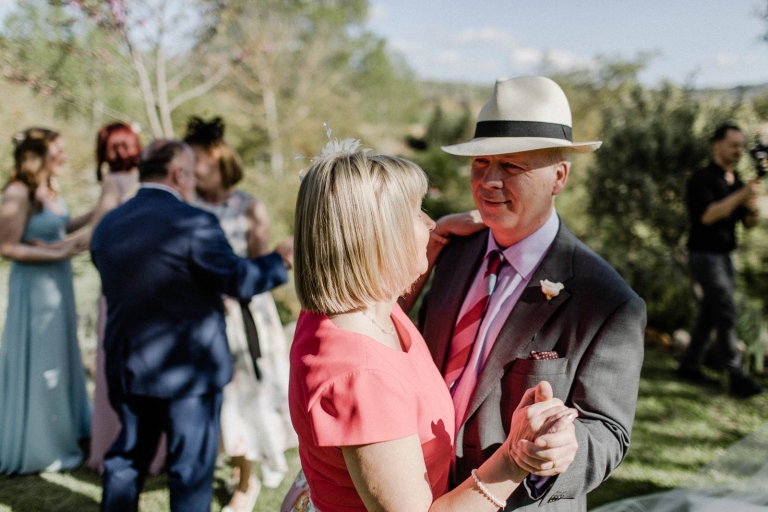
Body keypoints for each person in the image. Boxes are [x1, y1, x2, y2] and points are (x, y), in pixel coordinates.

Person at [287, 146, 578, 512]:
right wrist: (516, 459)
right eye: (417, 212)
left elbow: (379, 288)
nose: (429, 222)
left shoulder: (345, 311)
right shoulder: (363, 378)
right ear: (380, 237)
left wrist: (438, 236)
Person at [409, 76, 647, 511]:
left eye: (512, 167)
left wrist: (555, 453)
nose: (489, 182)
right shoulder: (454, 250)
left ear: (559, 177)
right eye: (481, 164)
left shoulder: (608, 301)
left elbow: (608, 430)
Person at [91, 139, 294, 512]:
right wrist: (279, 261)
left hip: (127, 365)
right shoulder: (193, 223)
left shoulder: (108, 225)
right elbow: (236, 279)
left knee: (126, 459)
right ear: (177, 173)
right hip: (189, 371)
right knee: (190, 470)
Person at [184, 117, 297, 512]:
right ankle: (235, 461)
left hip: (245, 319)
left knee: (248, 399)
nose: (192, 169)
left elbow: (261, 269)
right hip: (202, 319)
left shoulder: (248, 207)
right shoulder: (185, 209)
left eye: (199, 161)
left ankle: (246, 482)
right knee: (219, 402)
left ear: (219, 162)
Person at [0, 128, 91, 474]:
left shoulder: (49, 189)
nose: (65, 157)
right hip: (35, 288)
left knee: (61, 354)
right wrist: (62, 252)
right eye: (59, 151)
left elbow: (61, 227)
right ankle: (39, 444)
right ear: (38, 156)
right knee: (42, 359)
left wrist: (99, 213)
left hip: (59, 282)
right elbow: (7, 247)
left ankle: (66, 428)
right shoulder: (17, 193)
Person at [86, 122, 167, 475]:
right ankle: (160, 451)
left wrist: (60, 247)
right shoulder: (153, 180)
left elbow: (98, 233)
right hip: (154, 288)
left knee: (115, 364)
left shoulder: (113, 182)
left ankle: (119, 446)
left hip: (121, 288)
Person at [679, 123, 764, 397]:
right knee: (726, 311)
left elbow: (749, 223)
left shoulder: (736, 180)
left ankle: (689, 365)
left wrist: (752, 205)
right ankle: (737, 376)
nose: (739, 150)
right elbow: (707, 216)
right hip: (704, 256)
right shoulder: (702, 178)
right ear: (717, 144)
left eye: (742, 146)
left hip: (726, 256)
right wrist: (742, 194)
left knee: (710, 313)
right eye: (734, 145)